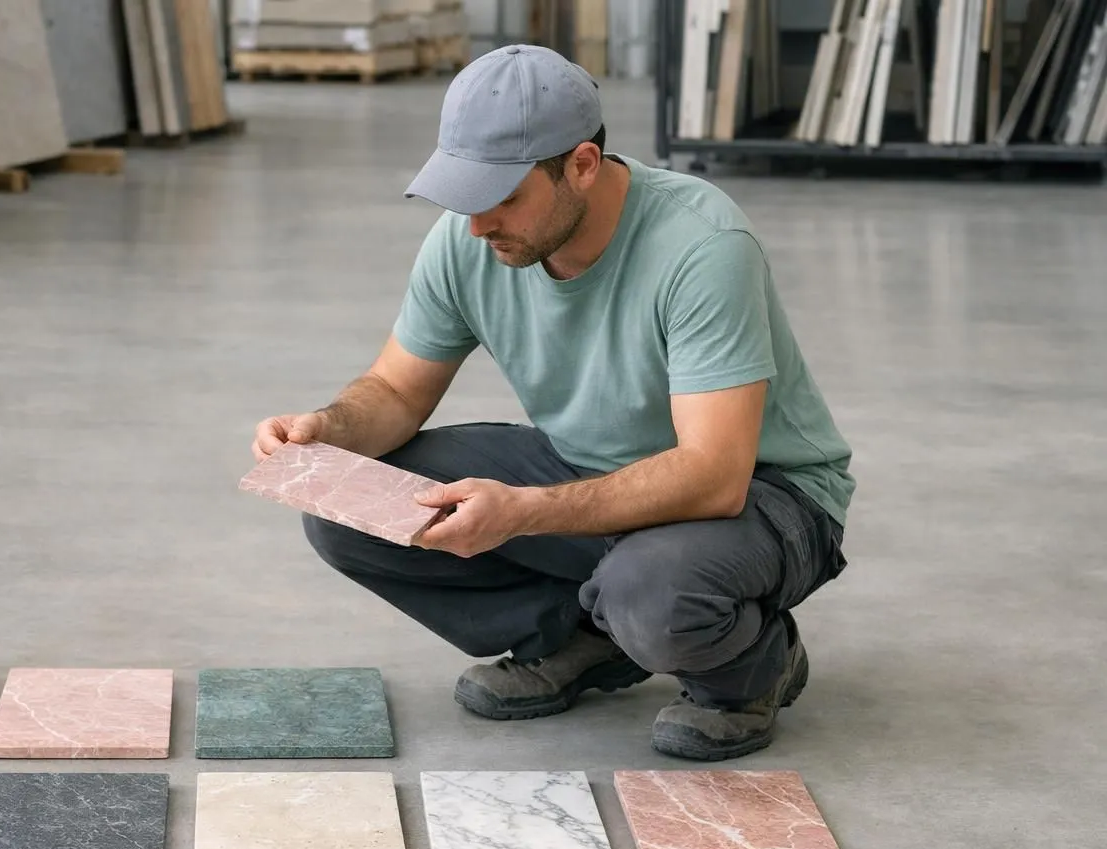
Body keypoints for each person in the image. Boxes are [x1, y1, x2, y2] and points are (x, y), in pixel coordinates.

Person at [250, 45, 854, 761]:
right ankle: (588, 640)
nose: (477, 225)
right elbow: (395, 390)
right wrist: (330, 430)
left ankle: (752, 668)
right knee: (354, 505)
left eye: (503, 196)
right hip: (585, 463)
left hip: (765, 495)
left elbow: (713, 476)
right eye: (465, 195)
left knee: (651, 595)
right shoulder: (471, 237)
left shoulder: (701, 246)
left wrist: (524, 513)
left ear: (582, 166)